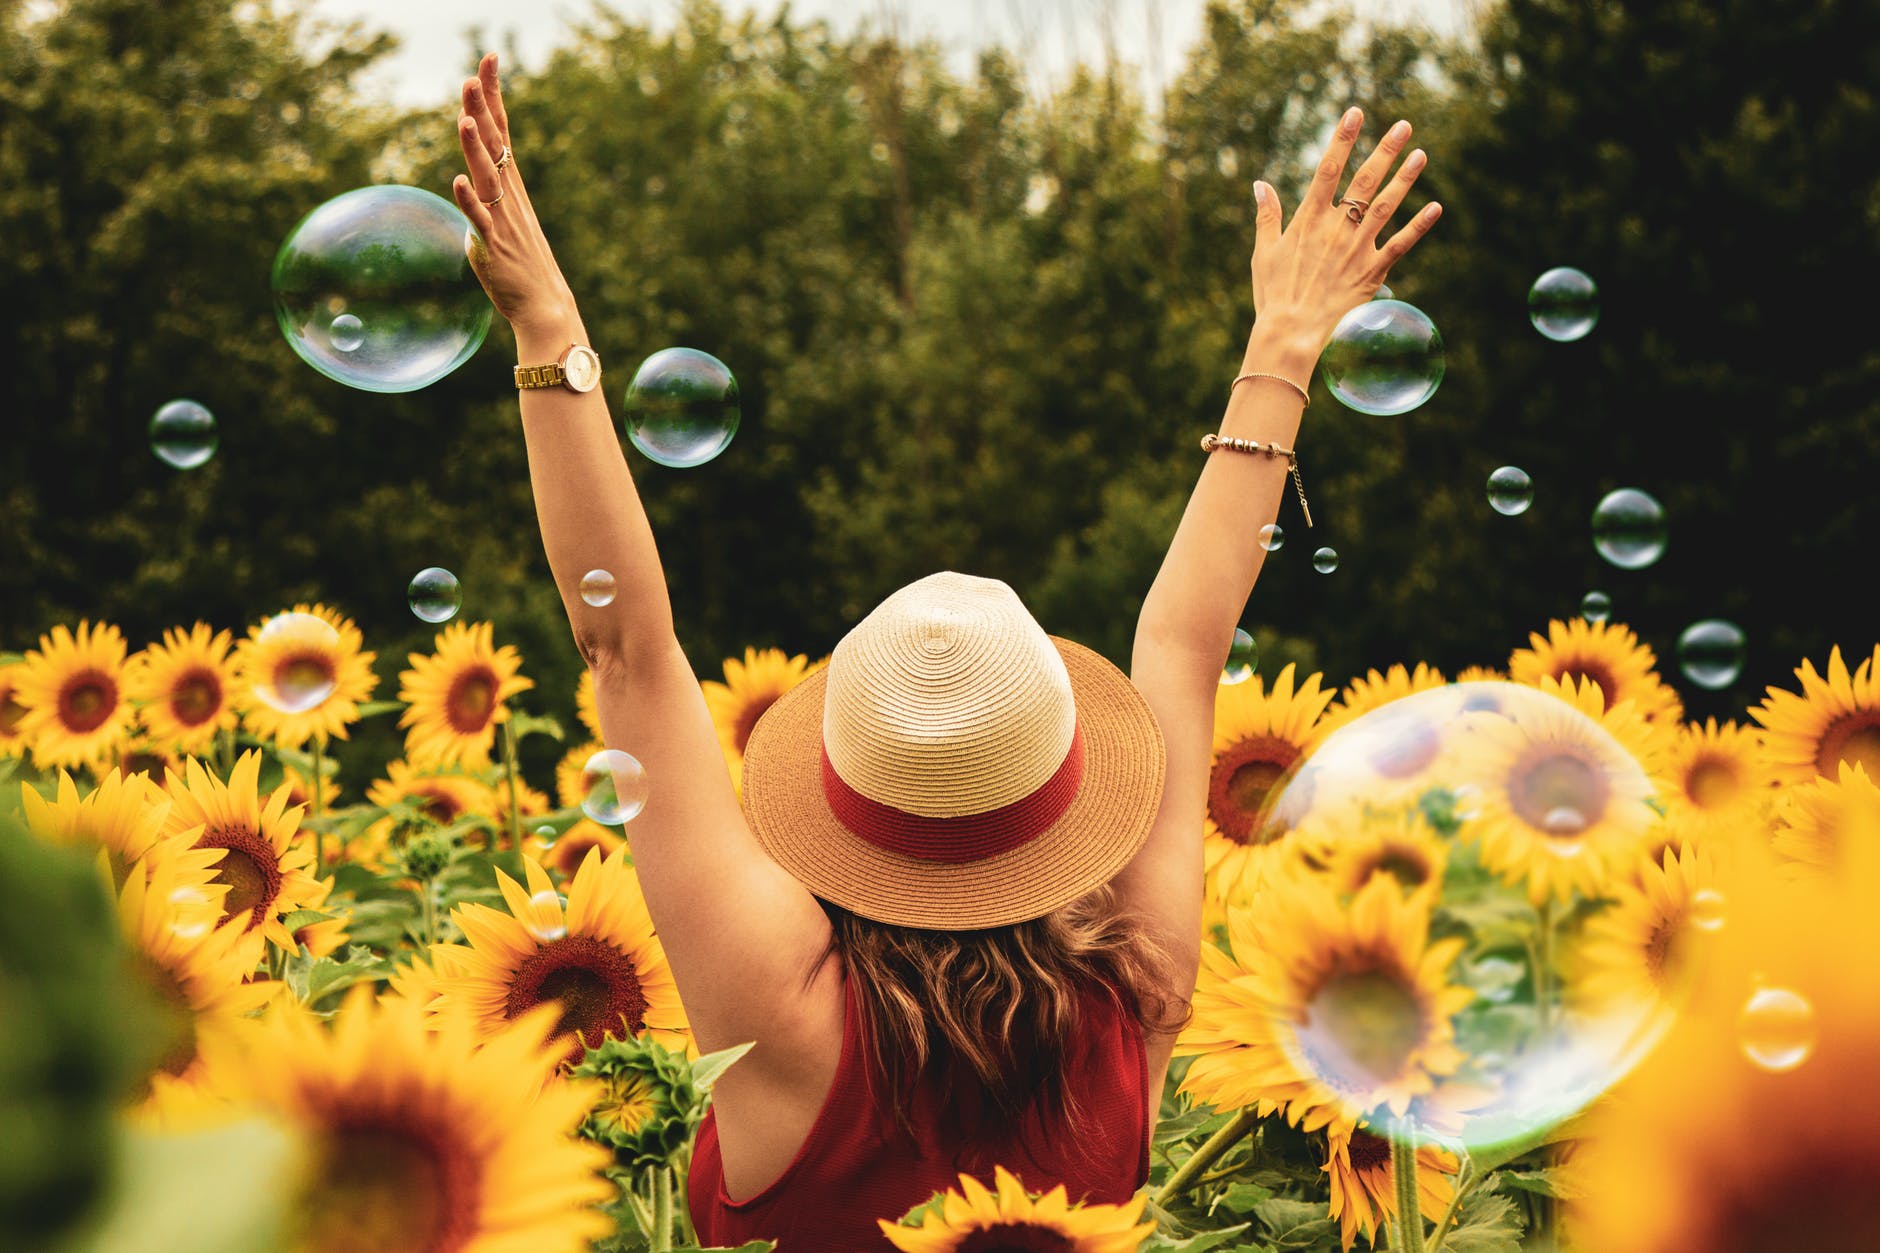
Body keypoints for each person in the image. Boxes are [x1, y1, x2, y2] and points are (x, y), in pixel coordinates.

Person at [448, 51, 1439, 1249]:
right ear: (1062, 789)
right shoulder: (1133, 1001)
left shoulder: (782, 1013)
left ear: (842, 790)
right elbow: (1180, 646)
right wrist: (1281, 345)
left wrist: (549, 330)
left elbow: (626, 652)